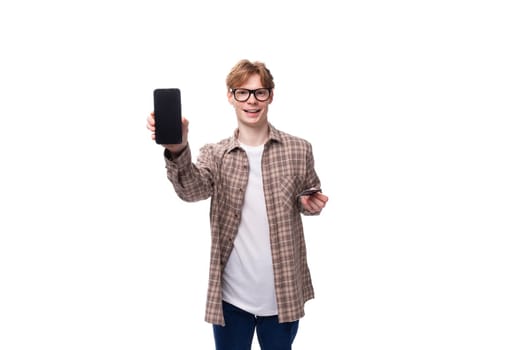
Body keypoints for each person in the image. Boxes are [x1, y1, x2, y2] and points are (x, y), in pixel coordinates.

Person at [146, 59, 328, 350]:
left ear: (271, 95)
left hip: (282, 293)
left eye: (259, 92)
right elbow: (192, 191)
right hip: (231, 299)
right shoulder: (215, 154)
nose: (251, 101)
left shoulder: (299, 149)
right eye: (242, 92)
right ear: (230, 96)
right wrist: (178, 148)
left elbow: (307, 197)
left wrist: (310, 204)